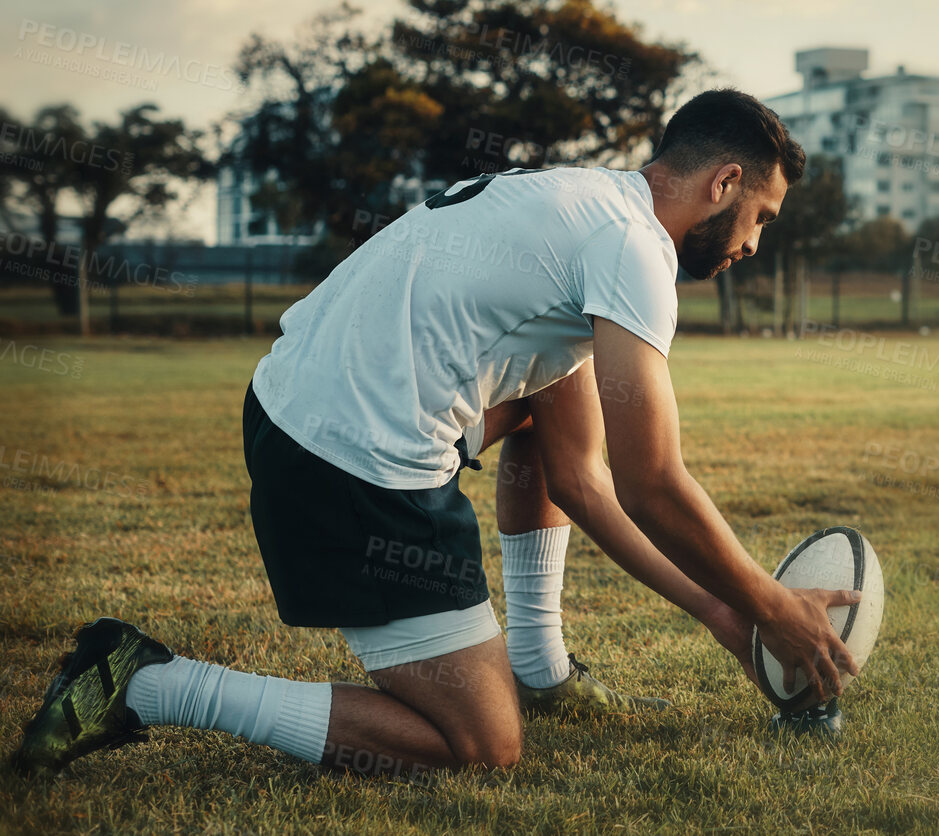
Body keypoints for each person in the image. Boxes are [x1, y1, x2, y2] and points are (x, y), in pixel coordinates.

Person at [12, 89, 860, 779]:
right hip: (351, 464)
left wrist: (721, 613)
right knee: (481, 746)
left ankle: (541, 666)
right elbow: (653, 484)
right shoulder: (635, 249)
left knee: (537, 408)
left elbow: (580, 478)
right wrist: (772, 608)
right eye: (763, 215)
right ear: (724, 181)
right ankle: (147, 683)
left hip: (287, 411)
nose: (754, 241)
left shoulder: (574, 201)